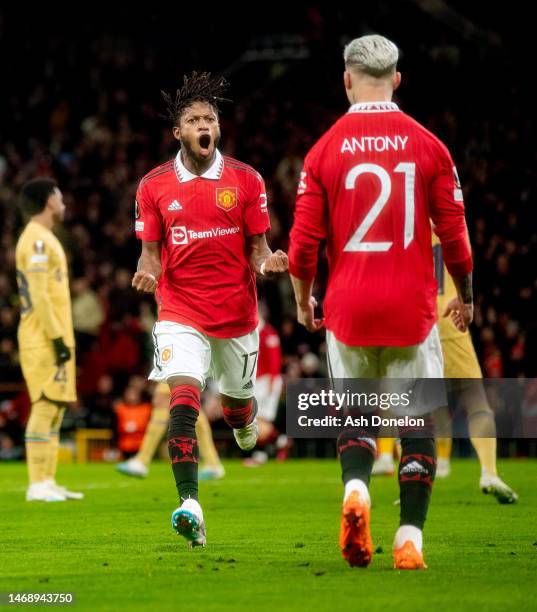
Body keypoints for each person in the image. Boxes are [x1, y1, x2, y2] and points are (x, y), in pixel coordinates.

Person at [289, 35, 473, 569]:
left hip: (347, 310)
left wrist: (304, 302)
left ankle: (357, 491)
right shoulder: (428, 144)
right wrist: (467, 294)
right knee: (417, 424)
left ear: (347, 80)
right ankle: (408, 538)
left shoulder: (323, 150)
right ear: (397, 79)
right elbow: (455, 236)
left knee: (357, 414)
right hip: (412, 312)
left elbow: (302, 246)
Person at [132, 72, 288, 547]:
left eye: (211, 118)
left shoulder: (246, 179)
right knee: (184, 398)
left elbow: (258, 248)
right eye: (194, 118)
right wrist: (147, 272)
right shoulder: (153, 185)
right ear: (178, 131)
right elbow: (150, 252)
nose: (204, 124)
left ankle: (244, 426)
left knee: (238, 413)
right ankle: (189, 504)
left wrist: (268, 263)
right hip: (179, 313)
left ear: (218, 128)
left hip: (238, 316)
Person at [16, 178, 83, 502]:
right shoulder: (38, 241)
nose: (64, 202)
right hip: (42, 336)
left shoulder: (44, 238)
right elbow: (40, 296)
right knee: (44, 407)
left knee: (55, 408)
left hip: (53, 334)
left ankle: (47, 479)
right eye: (59, 196)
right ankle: (37, 484)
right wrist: (56, 338)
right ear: (48, 202)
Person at [116, 383, 225, 480]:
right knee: (192, 408)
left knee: (163, 401)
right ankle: (213, 463)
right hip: (184, 368)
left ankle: (141, 461)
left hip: (177, 367)